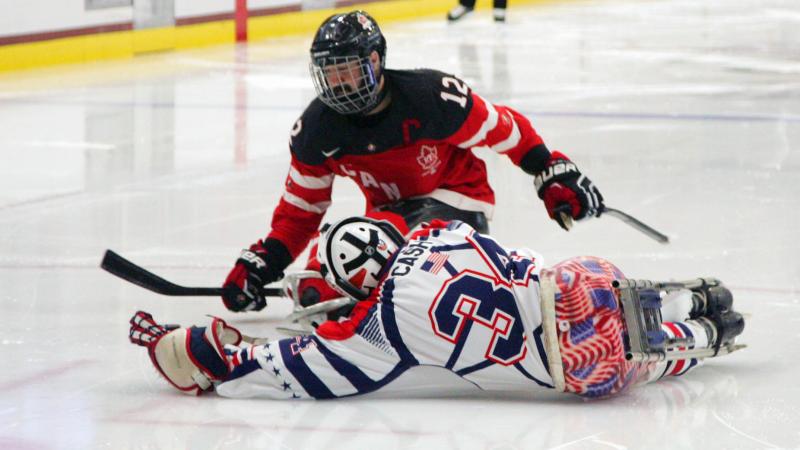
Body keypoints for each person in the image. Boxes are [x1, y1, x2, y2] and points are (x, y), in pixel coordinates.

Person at [220, 10, 605, 316]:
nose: (338, 85)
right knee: (318, 279)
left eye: (347, 72)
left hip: (458, 202)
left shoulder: (432, 98)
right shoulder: (317, 131)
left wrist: (550, 170)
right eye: (330, 74)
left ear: (374, 61)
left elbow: (501, 128)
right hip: (390, 221)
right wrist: (263, 264)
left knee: (356, 268)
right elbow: (300, 211)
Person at [130, 216, 745, 399]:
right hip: (582, 279)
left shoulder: (381, 329)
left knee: (630, 358)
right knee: (610, 293)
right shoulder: (442, 232)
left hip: (578, 363)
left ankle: (689, 345)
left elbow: (304, 368)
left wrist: (215, 358)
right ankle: (691, 298)